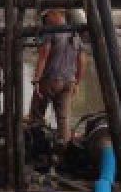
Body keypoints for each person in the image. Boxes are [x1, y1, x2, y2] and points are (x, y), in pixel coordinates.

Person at [28, 9, 87, 143]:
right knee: (63, 119)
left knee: (37, 114)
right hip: (68, 82)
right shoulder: (75, 34)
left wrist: (36, 80)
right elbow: (82, 60)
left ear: (56, 15)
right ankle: (63, 149)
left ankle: (36, 145)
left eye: (47, 16)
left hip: (50, 79)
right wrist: (77, 82)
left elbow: (43, 56)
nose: (46, 20)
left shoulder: (51, 32)